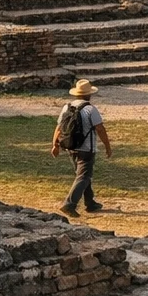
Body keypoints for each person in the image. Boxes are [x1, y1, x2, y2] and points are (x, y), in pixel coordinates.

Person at [50, 79, 112, 217]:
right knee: (84, 176)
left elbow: (59, 128)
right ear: (89, 94)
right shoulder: (90, 109)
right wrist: (107, 146)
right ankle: (69, 204)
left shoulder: (67, 107)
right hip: (87, 148)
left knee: (82, 176)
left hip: (71, 146)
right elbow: (100, 129)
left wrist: (55, 145)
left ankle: (90, 203)